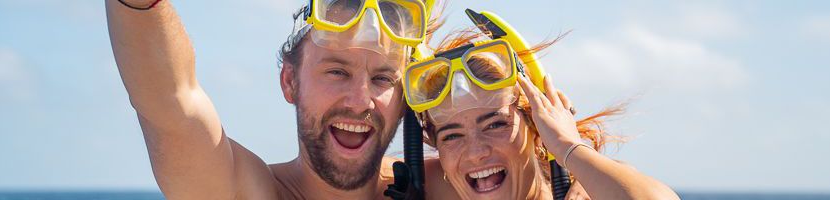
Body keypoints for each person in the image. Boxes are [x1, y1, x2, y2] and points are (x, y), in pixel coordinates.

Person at [106, 0, 437, 199]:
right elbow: (172, 103)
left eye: (382, 79)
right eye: (337, 72)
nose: (359, 100)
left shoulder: (446, 185)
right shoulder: (248, 192)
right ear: (290, 81)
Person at [402, 11, 681, 199]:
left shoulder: (595, 188)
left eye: (496, 124)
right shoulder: (432, 182)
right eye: (452, 135)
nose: (476, 153)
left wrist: (568, 148)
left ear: (538, 129)